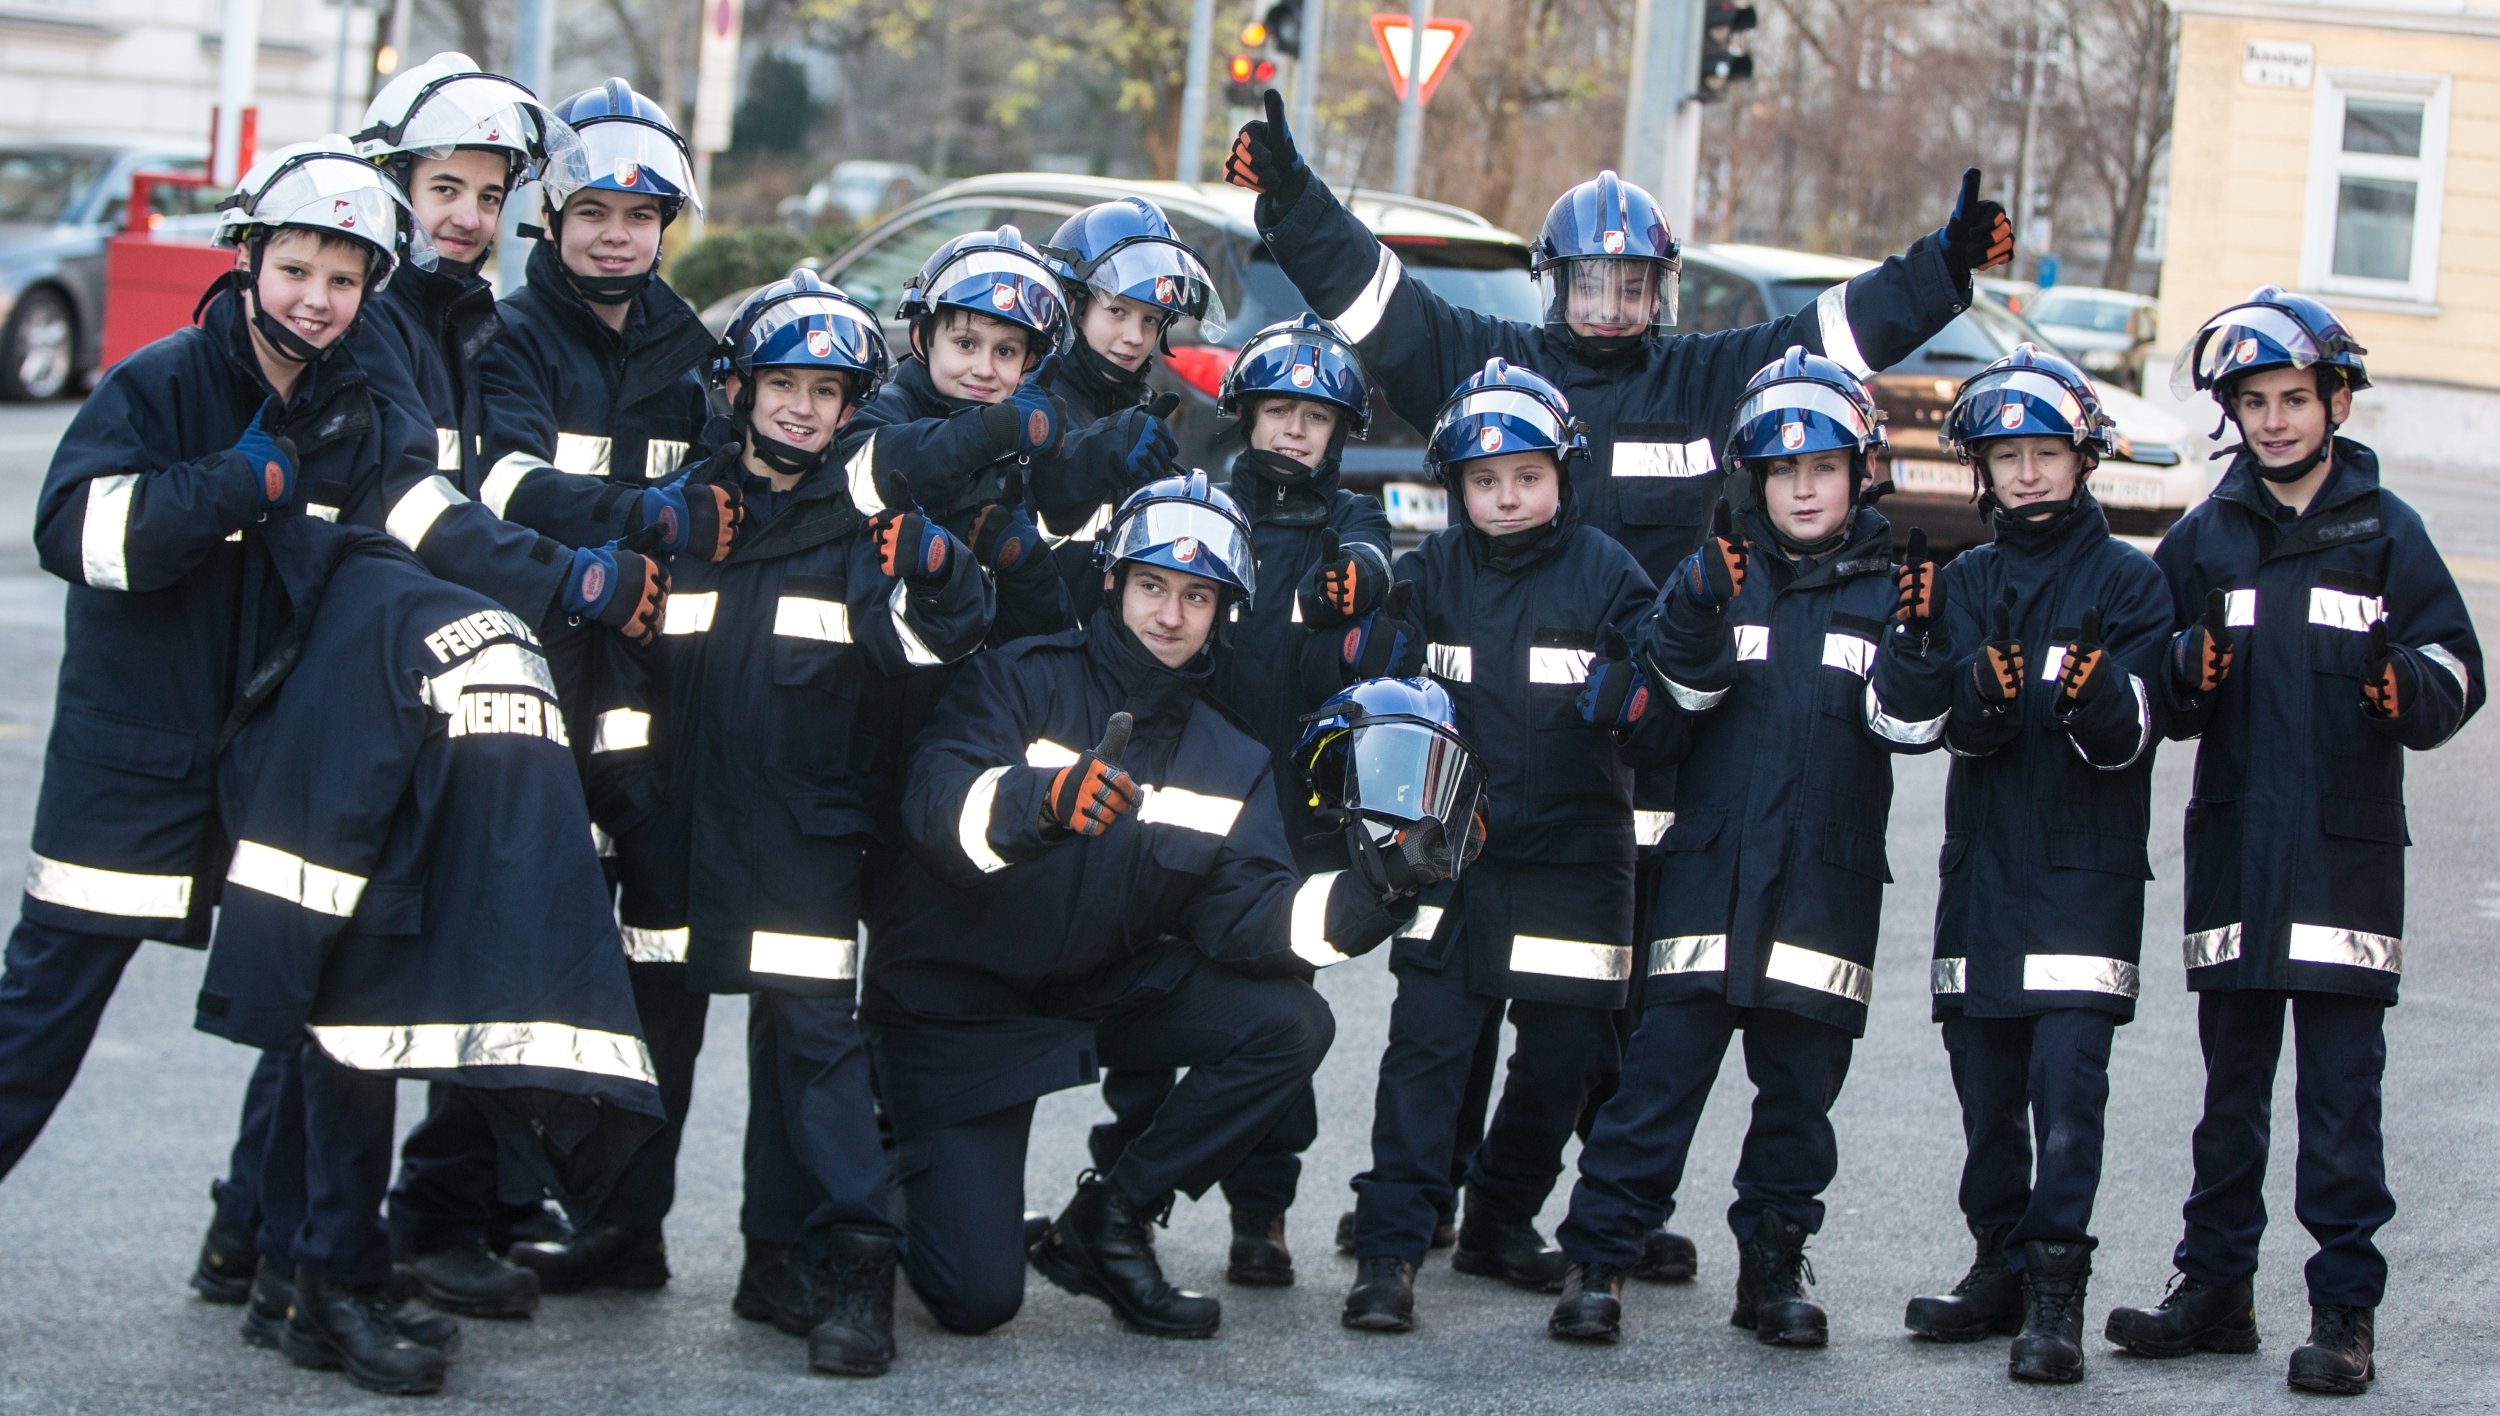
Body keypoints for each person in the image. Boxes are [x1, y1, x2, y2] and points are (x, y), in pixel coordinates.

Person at [861, 473, 1440, 1340]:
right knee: (976, 1303)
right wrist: (1045, 802)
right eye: (1152, 586)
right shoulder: (1019, 680)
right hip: (959, 1008)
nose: (1170, 615)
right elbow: (933, 808)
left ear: (1224, 611)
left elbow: (1255, 922)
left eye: (1197, 596)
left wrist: (1381, 886)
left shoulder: (1230, 756)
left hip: (1095, 987)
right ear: (1112, 583)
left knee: (1289, 1024)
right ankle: (893, 1157)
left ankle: (1113, 1218)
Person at [0, 137, 429, 1214]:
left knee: (324, 1017)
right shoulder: (160, 382)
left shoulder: (361, 416)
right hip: (131, 769)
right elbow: (76, 536)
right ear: (247, 258)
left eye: (344, 279)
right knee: (38, 1021)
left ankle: (297, 1263)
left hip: (277, 772)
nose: (317, 300)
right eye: (295, 269)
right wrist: (226, 486)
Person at [588, 272, 992, 1377]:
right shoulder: (682, 515)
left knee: (815, 1058)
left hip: (804, 845)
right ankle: (617, 1233)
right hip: (671, 833)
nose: (803, 409)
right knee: (643, 1042)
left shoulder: (866, 533)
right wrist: (627, 793)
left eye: (827, 391)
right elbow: (620, 666)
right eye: (783, 385)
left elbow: (937, 651)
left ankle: (836, 1264)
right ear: (738, 390)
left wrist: (945, 571)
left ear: (853, 405)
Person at [2103, 291, 2482, 1396]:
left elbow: (2458, 669)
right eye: (2253, 404)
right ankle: (2214, 1288)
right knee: (2228, 1096)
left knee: (2338, 1100)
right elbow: (2145, 678)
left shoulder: (2385, 531)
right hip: (2234, 859)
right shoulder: (2204, 537)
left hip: (2341, 863)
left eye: (2292, 400)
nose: (2272, 422)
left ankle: (2342, 1313)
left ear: (2336, 400)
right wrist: (2178, 672)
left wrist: (2399, 682)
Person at [199, 510, 662, 1397]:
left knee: (337, 1023)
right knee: (344, 1027)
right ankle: (322, 1281)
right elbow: (313, 833)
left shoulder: (388, 614)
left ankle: (296, 1275)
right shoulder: (407, 623)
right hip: (378, 811)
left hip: (399, 806)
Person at [1546, 348, 1953, 1346]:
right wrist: (1686, 616)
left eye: (1821, 467)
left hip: (1822, 892)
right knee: (1653, 1092)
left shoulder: (1889, 593)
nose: (1802, 487)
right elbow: (1663, 728)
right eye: (1780, 470)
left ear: (1861, 473)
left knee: (1798, 1108)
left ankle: (1771, 1273)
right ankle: (1597, 1261)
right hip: (1704, 885)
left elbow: (1911, 728)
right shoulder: (1714, 581)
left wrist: (1919, 646)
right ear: (1751, 481)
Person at [1223, 88, 2003, 584]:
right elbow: (1380, 301)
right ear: (1557, 282)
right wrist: (1297, 201)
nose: (1610, 305)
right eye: (1592, 282)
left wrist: (1942, 267)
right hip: (1502, 674)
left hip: (1660, 681)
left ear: (1659, 288)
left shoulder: (1704, 378)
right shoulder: (1492, 365)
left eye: (1632, 285)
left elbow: (1834, 333)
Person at [340, 49, 610, 1321]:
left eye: (486, 195)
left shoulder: (458, 318)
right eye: (442, 186)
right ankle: (306, 1248)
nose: (465, 215)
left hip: (431, 676)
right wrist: (570, 580)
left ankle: (278, 1236)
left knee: (368, 968)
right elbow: (412, 504)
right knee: (338, 979)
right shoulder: (381, 318)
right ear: (392, 182)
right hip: (364, 685)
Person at [1334, 360, 1667, 1333]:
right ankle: (1392, 1249)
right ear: (1456, 489)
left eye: (1525, 475)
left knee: (1566, 1053)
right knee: (1425, 1053)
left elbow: (1666, 712)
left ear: (1563, 473)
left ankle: (1501, 1216)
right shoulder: (1429, 575)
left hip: (1578, 857)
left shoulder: (1609, 572)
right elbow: (1383, 697)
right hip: (1454, 855)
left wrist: (1641, 698)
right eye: (1483, 481)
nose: (1505, 495)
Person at [482, 80, 746, 1295]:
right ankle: (495, 1206)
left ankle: (625, 1223)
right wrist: (638, 516)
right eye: (590, 208)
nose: (614, 234)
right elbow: (503, 487)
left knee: (661, 965)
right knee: (518, 954)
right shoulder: (507, 340)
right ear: (549, 216)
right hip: (530, 681)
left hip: (660, 700)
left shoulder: (696, 353)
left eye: (640, 214)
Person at [1084, 315, 1391, 1286]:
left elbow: (1382, 571)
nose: (1295, 432)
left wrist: (1365, 586)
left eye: (1315, 417)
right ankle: (1122, 1191)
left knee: (1272, 1012)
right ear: (1246, 414)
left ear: (1341, 431)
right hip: (1175, 795)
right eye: (1278, 412)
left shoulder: (1351, 522)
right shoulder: (1206, 506)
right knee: (1142, 1022)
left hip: (1290, 819)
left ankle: (1261, 1215)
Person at [1898, 343, 2171, 1385]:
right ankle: (1996, 1265)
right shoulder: (1962, 581)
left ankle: (2055, 1290)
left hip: (2081, 881)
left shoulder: (2129, 582)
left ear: (2084, 457)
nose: (2023, 473)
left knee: (2067, 1089)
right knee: (1983, 1087)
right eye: (2003, 454)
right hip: (1979, 885)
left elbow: (2135, 735)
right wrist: (1963, 681)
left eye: (2043, 452)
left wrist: (2097, 696)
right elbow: (1917, 726)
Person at [836, 225, 1079, 644]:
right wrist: (995, 429)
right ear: (921, 339)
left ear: (1029, 362)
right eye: (966, 344)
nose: (984, 368)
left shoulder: (1019, 450)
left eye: (1005, 351)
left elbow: (1044, 643)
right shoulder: (887, 408)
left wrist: (1024, 566)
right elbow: (870, 469)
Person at [1034, 196, 1219, 620]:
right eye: (1117, 311)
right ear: (1073, 306)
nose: (1135, 336)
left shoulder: (1139, 405)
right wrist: (1103, 447)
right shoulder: (1032, 394)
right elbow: (1040, 496)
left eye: (1151, 320)